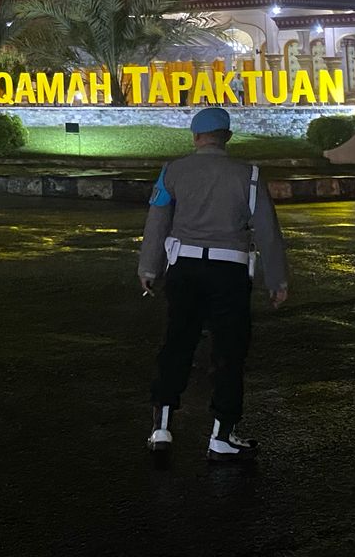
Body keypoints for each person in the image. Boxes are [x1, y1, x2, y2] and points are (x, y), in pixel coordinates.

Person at [139, 106, 289, 462]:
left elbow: (157, 221)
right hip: (229, 271)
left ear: (195, 138)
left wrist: (149, 267)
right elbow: (267, 231)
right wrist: (277, 278)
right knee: (229, 351)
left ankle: (161, 427)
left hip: (183, 268)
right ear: (228, 139)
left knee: (177, 343)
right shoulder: (249, 175)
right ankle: (222, 434)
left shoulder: (171, 171)